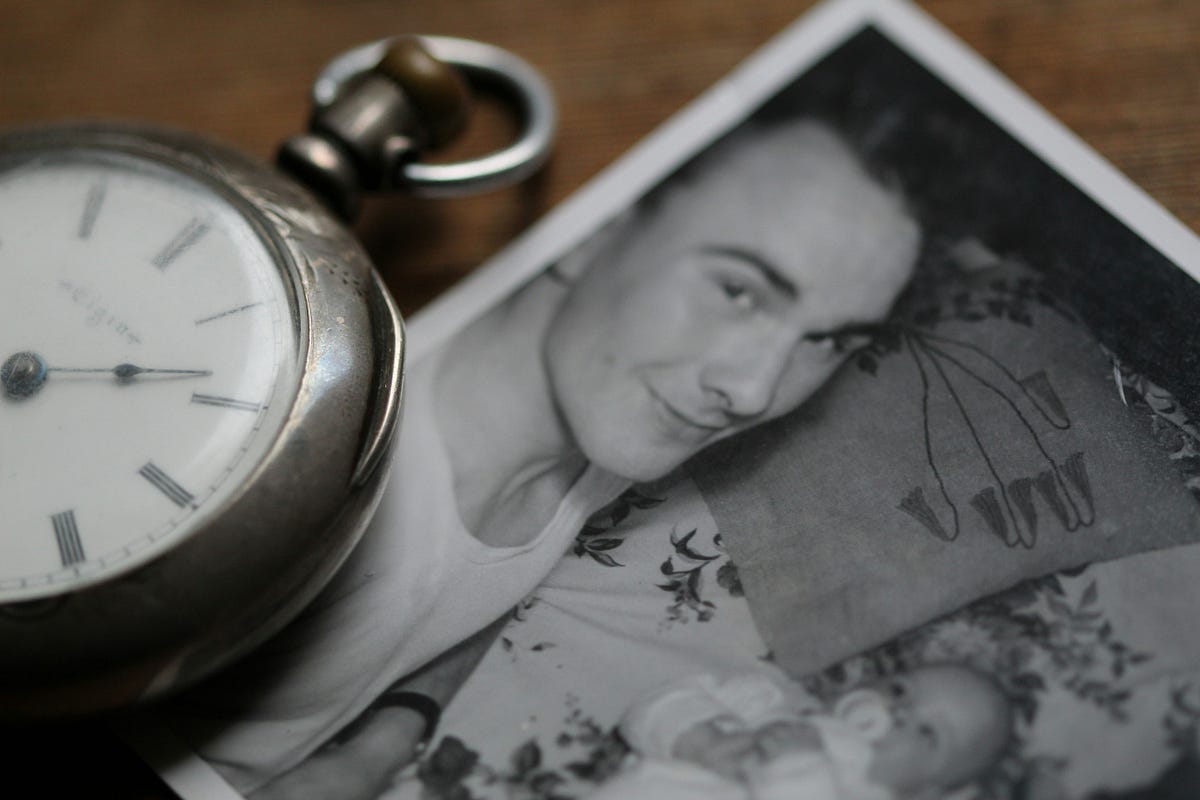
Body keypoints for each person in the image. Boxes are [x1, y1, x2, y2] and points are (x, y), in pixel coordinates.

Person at [168, 117, 922, 799]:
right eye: (740, 291)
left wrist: (385, 740)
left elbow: (470, 587)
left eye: (830, 341)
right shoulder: (329, 463)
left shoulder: (615, 427)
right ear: (597, 230)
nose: (754, 390)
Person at [591, 663, 1012, 800]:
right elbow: (652, 707)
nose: (899, 713)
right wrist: (697, 740)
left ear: (926, 791)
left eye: (927, 733)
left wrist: (799, 769)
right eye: (901, 691)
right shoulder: (768, 703)